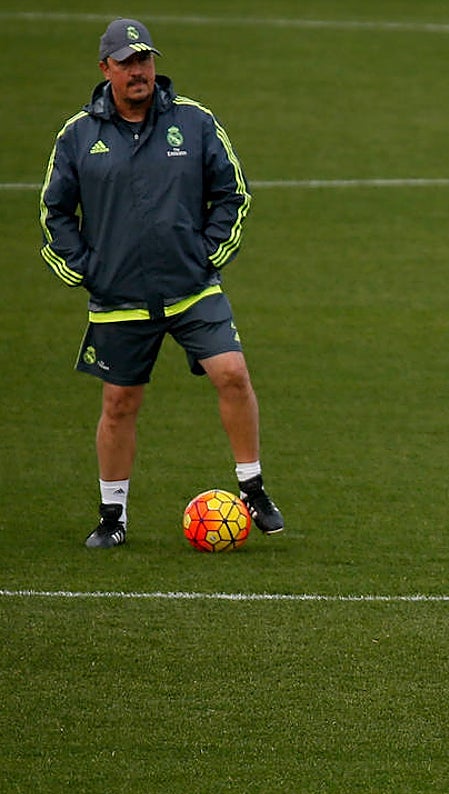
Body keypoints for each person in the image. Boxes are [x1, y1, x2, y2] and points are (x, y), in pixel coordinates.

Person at [39, 18, 284, 547]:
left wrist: (206, 255)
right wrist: (85, 269)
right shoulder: (79, 135)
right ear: (105, 69)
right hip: (119, 296)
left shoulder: (193, 122)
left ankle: (253, 488)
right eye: (126, 63)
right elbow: (54, 212)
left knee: (233, 373)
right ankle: (113, 517)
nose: (138, 72)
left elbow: (232, 193)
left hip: (192, 287)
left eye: (144, 60)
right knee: (119, 403)